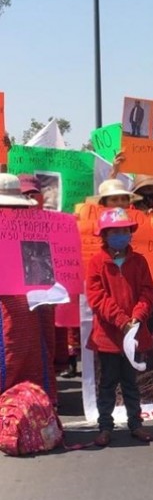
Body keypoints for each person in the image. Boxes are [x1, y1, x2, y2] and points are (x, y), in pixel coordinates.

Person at [86, 207, 153, 446]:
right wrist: (122, 321)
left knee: (130, 382)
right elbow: (97, 298)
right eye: (115, 231)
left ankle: (136, 424)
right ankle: (105, 426)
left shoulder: (139, 261)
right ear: (104, 236)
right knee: (107, 382)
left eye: (124, 230)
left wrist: (137, 317)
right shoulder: (96, 263)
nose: (121, 235)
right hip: (108, 337)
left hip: (133, 335)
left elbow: (148, 292)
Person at [0, 173, 57, 406]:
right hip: (5, 316)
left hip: (31, 311)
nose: (10, 213)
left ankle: (30, 419)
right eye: (5, 207)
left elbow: (45, 275)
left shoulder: (35, 235)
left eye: (14, 207)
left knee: (32, 361)